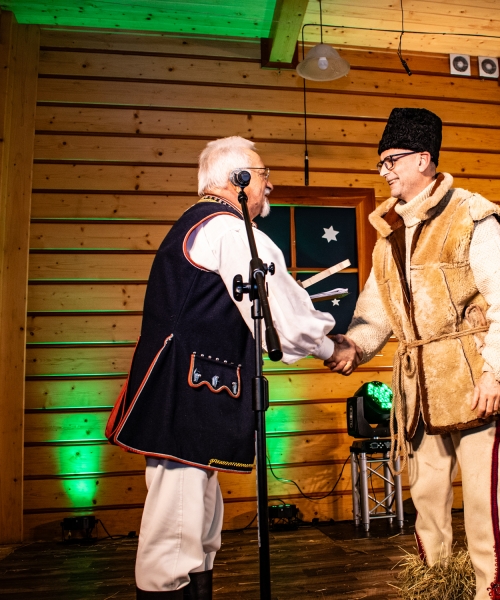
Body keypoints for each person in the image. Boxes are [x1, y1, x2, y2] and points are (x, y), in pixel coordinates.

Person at [105, 136, 354, 599]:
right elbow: (283, 317)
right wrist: (329, 348)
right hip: (187, 397)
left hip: (188, 393)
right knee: (175, 538)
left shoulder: (201, 223)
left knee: (197, 529)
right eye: (262, 175)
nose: (269, 185)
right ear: (235, 179)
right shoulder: (230, 230)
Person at [325, 108, 500, 600]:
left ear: (423, 158)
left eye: (391, 160)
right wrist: (353, 346)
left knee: (482, 500)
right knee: (427, 497)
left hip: (474, 381)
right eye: (381, 163)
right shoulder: (390, 233)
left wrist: (496, 374)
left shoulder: (471, 215)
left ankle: (490, 593)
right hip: (418, 389)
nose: (384, 171)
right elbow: (377, 309)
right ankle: (436, 587)